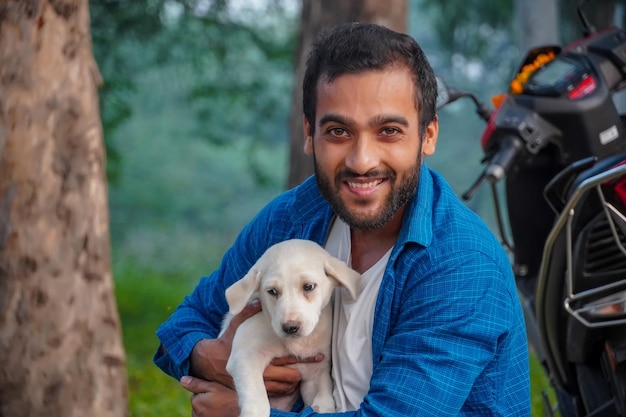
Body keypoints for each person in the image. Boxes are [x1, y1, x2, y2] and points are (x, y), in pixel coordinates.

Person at [154, 22, 531, 416]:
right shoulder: (292, 219)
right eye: (338, 131)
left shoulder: (461, 266)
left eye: (388, 131)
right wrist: (212, 358)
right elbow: (184, 324)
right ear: (309, 134)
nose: (362, 161)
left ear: (428, 135)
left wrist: (242, 411)